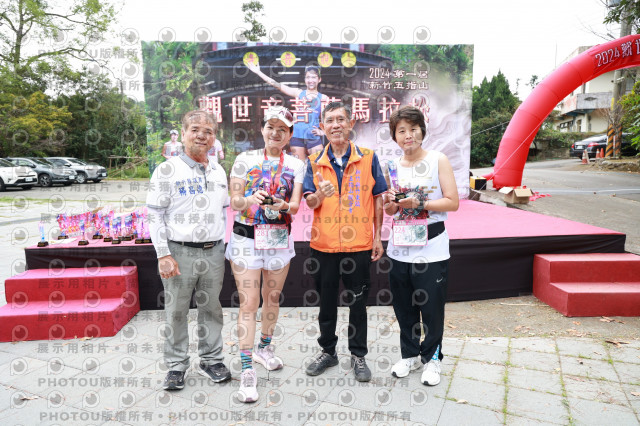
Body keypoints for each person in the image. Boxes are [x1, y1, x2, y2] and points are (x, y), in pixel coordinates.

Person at [302, 101, 387, 382]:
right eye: (330, 120)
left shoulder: (368, 157)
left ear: (351, 124)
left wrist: (378, 237)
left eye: (341, 119)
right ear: (322, 127)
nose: (336, 125)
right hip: (324, 245)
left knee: (358, 303)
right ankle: (328, 352)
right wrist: (321, 194)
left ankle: (358, 354)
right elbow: (309, 202)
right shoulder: (314, 160)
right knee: (326, 303)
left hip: (359, 245)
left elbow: (378, 198)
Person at [146, 110, 231, 391]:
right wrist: (163, 254)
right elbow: (155, 214)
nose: (201, 136)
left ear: (214, 138)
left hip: (214, 251)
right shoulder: (167, 170)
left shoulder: (218, 171)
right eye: (195, 129)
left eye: (208, 131)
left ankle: (211, 360)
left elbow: (225, 209)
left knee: (211, 308)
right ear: (182, 134)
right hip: (178, 252)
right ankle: (176, 365)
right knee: (176, 310)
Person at [227, 106, 304, 402]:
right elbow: (234, 201)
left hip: (278, 238)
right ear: (262, 129)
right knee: (249, 303)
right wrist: (250, 199)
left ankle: (264, 348)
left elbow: (295, 205)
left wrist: (282, 206)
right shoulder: (244, 159)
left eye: (282, 129)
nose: (275, 133)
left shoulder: (296, 164)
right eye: (271, 126)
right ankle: (247, 369)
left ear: (289, 135)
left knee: (272, 297)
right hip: (246, 239)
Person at [382, 105, 459, 386]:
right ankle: (410, 355)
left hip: (432, 246)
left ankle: (433, 359)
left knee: (431, 308)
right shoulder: (392, 167)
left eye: (413, 129)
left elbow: (452, 202)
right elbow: (390, 210)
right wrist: (391, 203)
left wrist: (421, 203)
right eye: (401, 130)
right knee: (404, 306)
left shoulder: (438, 160)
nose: (408, 135)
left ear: (422, 131)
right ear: (395, 136)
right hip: (400, 247)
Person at [247, 62, 329, 163]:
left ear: (319, 79)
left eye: (313, 77)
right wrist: (258, 72)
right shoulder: (298, 93)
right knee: (300, 166)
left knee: (320, 164)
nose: (310, 80)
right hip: (297, 136)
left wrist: (323, 132)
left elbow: (328, 119)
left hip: (313, 136)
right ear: (305, 79)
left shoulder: (323, 98)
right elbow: (277, 85)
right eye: (308, 77)